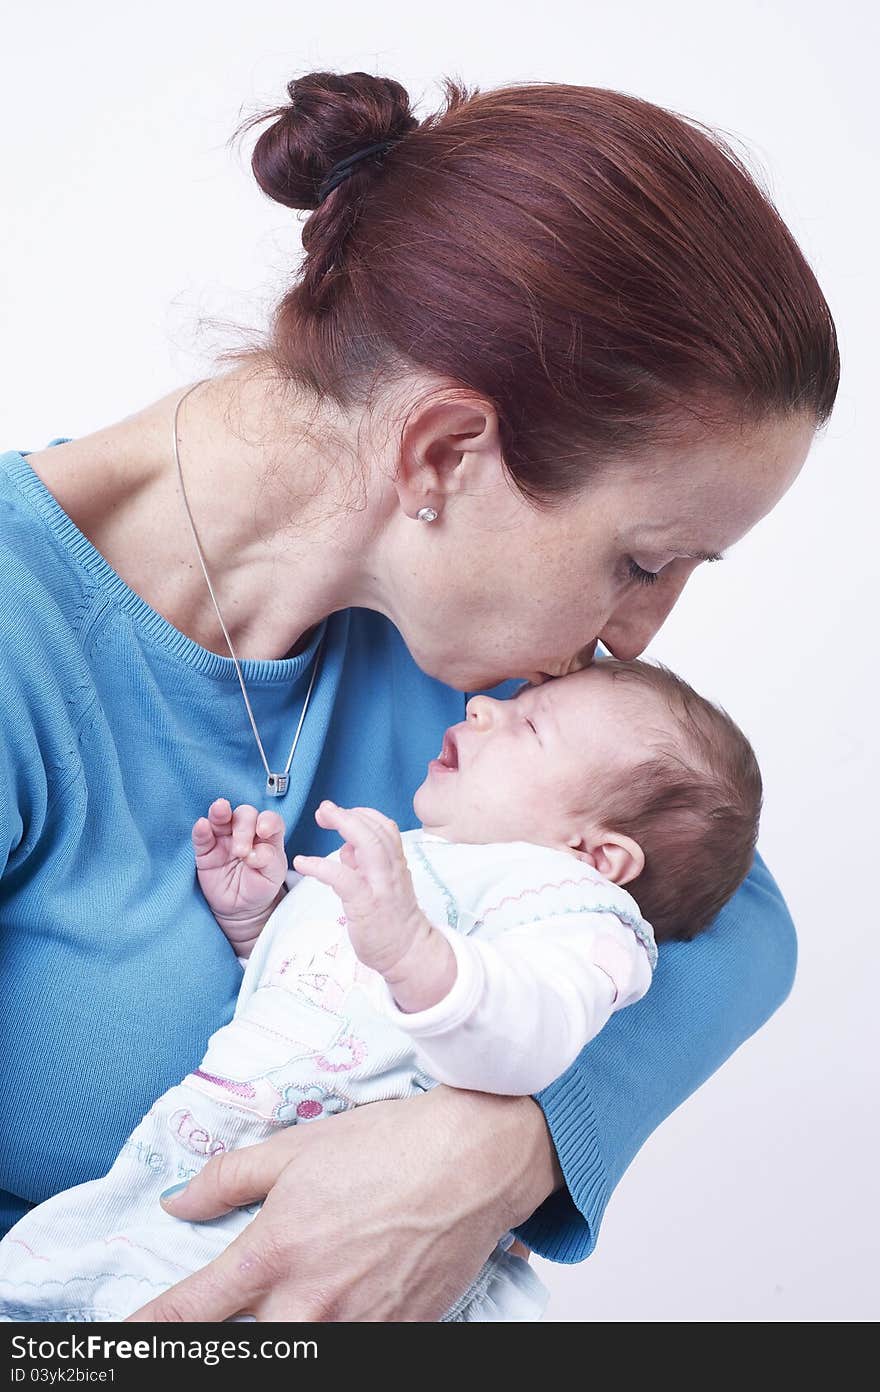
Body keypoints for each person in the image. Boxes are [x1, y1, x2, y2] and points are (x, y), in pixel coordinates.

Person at [0, 71, 838, 1322]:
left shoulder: (471, 651)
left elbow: (733, 914)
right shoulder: (28, 650)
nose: (640, 637)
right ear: (442, 454)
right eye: (641, 560)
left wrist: (492, 1148)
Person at [0, 657, 762, 1321]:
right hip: (203, 1169)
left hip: (335, 1226)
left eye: (530, 728)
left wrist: (413, 949)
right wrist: (260, 920)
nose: (483, 705)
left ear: (598, 855)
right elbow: (321, 999)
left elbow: (535, 1034)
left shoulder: (571, 907)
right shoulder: (439, 863)